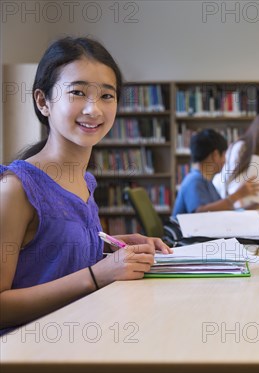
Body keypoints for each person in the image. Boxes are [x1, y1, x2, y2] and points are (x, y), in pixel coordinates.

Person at [0, 37, 172, 335]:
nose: (94, 109)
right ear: (43, 102)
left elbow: (50, 252)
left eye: (107, 96)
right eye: (77, 92)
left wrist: (113, 245)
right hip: (32, 353)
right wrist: (97, 275)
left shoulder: (85, 181)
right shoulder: (15, 189)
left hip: (85, 335)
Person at [171, 129, 259, 216]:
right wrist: (237, 195)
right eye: (224, 155)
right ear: (215, 155)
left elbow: (222, 212)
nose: (225, 160)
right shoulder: (194, 180)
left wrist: (251, 208)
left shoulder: (207, 182)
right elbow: (200, 213)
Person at [213, 111, 259, 209]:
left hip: (247, 205)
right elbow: (230, 181)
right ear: (257, 133)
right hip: (227, 200)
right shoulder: (241, 147)